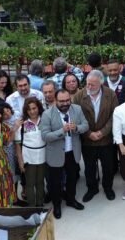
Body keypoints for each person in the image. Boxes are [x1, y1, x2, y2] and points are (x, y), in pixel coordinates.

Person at [40, 89, 88, 219]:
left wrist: (77, 128)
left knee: (72, 179)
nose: (65, 103)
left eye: (67, 100)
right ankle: (57, 205)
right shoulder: (47, 114)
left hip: (72, 152)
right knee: (55, 183)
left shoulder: (77, 109)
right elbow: (45, 136)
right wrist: (62, 131)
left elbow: (86, 125)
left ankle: (71, 200)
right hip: (55, 155)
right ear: (55, 101)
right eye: (62, 101)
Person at [73, 70, 119, 202]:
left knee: (108, 167)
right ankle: (92, 189)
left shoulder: (110, 95)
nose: (89, 87)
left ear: (101, 83)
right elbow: (75, 117)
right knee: (89, 168)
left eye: (93, 85)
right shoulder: (78, 96)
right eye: (88, 84)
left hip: (106, 140)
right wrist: (88, 134)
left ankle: (108, 188)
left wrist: (102, 132)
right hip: (88, 141)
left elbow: (114, 116)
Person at [15, 98, 46, 208]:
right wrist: (20, 161)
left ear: (38, 108)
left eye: (34, 108)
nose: (32, 111)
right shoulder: (23, 124)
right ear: (26, 111)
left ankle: (40, 204)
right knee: (30, 184)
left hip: (43, 157)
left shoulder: (45, 120)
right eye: (29, 109)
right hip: (29, 158)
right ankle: (32, 206)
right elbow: (18, 145)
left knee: (40, 182)